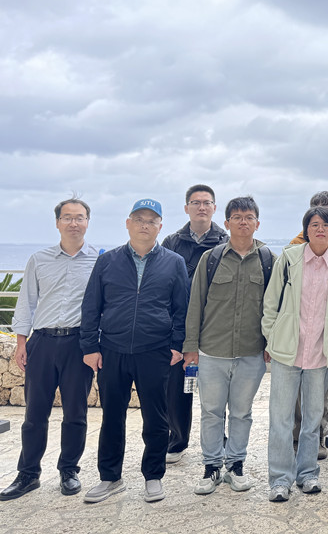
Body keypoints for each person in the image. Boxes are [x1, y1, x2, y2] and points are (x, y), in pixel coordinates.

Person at [80, 199, 189, 504]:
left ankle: (153, 476)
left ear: (160, 227)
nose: (145, 225)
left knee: (156, 418)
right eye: (139, 219)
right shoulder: (107, 261)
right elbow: (91, 306)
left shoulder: (174, 262)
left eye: (151, 220)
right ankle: (110, 477)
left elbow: (182, 308)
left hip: (154, 351)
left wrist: (177, 345)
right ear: (128, 223)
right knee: (112, 417)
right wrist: (90, 347)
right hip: (112, 349)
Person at [0, 199, 99, 501]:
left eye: (79, 217)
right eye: (67, 217)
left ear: (87, 222)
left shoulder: (99, 261)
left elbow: (104, 306)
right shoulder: (39, 259)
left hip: (78, 344)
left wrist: (96, 345)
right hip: (41, 342)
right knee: (34, 413)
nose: (73, 223)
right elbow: (27, 302)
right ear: (57, 223)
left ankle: (69, 471)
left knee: (76, 413)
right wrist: (21, 342)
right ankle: (28, 474)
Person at [261, 207, 328, 502]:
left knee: (313, 419)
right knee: (281, 419)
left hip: (320, 353)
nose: (321, 229)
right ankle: (280, 479)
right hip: (286, 351)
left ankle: (308, 473)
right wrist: (271, 337)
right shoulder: (289, 259)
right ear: (306, 229)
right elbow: (271, 302)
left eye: (327, 225)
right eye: (314, 224)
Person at [183, 196, 272, 495]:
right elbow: (195, 304)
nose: (243, 222)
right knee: (211, 412)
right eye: (237, 217)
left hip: (251, 352)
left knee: (242, 413)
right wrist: (191, 347)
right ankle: (211, 466)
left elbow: (274, 307)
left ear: (257, 223)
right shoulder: (211, 259)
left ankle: (235, 465)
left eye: (249, 217)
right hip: (212, 352)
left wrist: (270, 345)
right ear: (227, 222)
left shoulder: (268, 260)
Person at [161, 184, 229, 463]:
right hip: (179, 326)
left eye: (207, 202)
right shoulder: (172, 242)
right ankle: (177, 441)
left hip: (215, 326)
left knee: (218, 390)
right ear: (186, 207)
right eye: (196, 202)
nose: (201, 207)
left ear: (214, 208)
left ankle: (220, 442)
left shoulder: (225, 242)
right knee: (177, 389)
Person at [290, 191, 328, 462]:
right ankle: (296, 437)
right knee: (297, 393)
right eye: (319, 209)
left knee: (323, 390)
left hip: (327, 333)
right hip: (298, 333)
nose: (325, 213)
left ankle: (319, 436)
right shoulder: (294, 247)